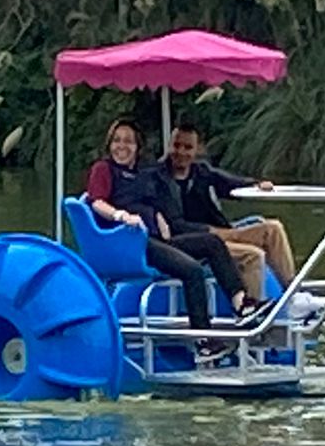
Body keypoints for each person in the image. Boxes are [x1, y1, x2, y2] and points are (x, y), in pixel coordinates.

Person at [83, 118, 252, 359]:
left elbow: (151, 202)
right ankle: (203, 341)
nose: (122, 146)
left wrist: (159, 217)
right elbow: (97, 202)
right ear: (109, 144)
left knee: (213, 243)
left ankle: (241, 303)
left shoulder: (142, 174)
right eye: (117, 141)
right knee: (191, 270)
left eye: (128, 141)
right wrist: (121, 215)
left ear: (137, 147)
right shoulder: (104, 169)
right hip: (130, 244)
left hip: (156, 240)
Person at [160, 123, 325, 317]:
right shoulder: (158, 178)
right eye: (177, 146)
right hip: (194, 243)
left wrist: (256, 184)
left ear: (197, 150)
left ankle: (293, 294)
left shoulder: (201, 172)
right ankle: (251, 314)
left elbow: (230, 183)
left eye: (188, 147)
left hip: (220, 235)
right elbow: (175, 224)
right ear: (169, 145)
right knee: (253, 255)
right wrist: (213, 232)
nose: (181, 152)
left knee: (273, 228)